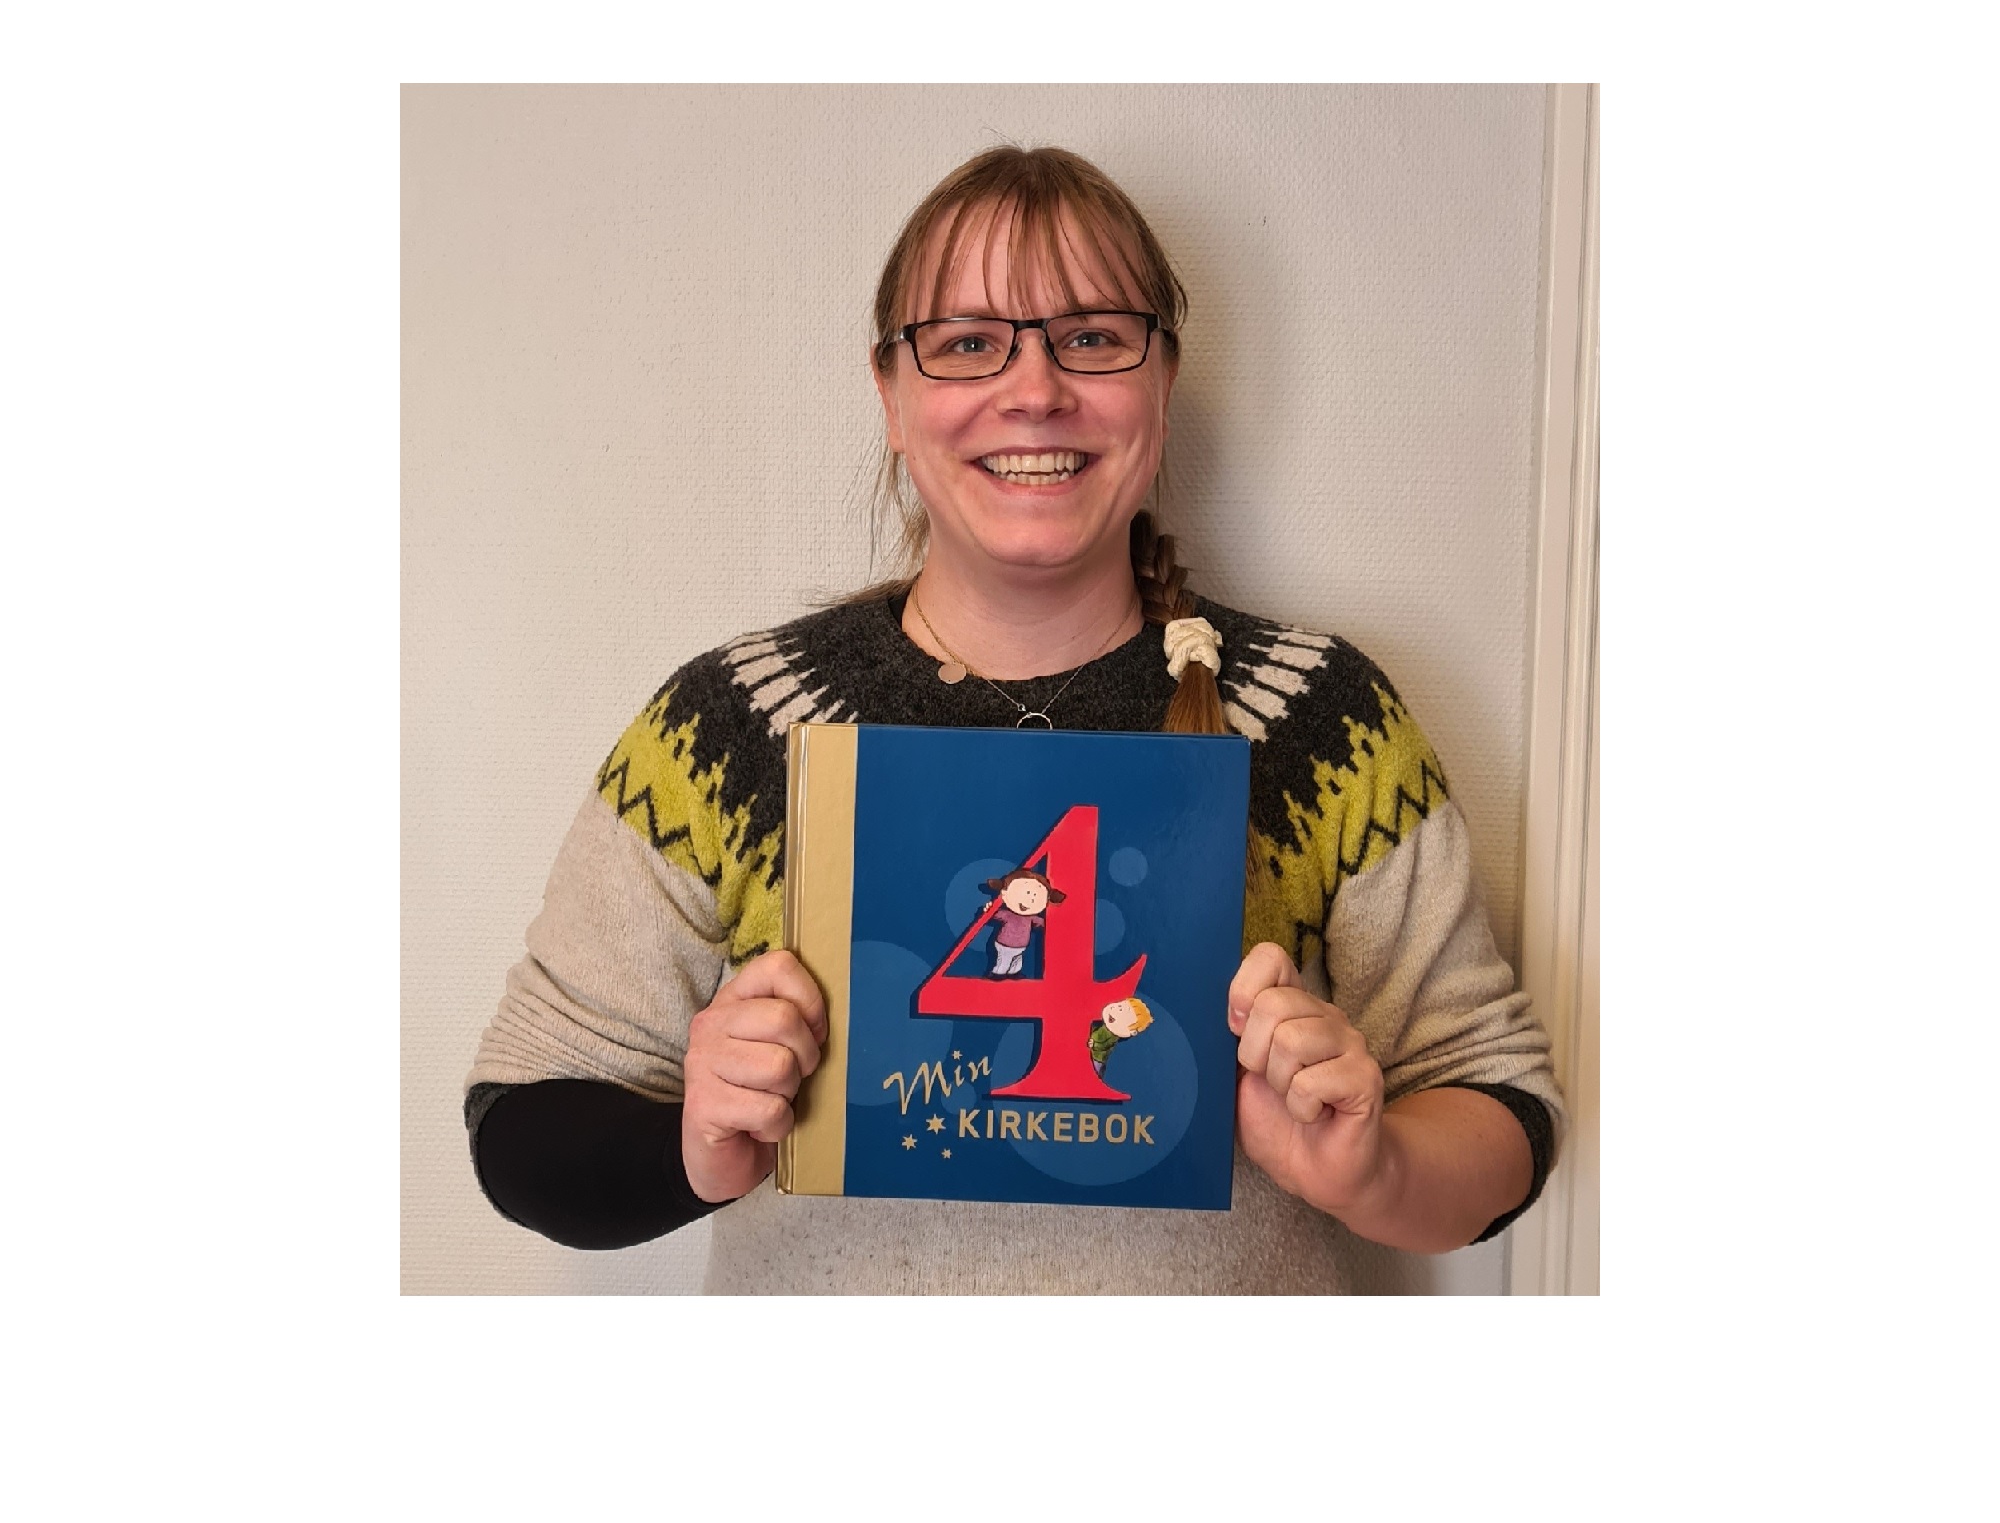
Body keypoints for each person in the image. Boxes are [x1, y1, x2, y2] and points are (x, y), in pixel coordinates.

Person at [464, 145, 1564, 1293]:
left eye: (1090, 336)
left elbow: (1497, 1102)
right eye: (966, 342)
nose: (1033, 389)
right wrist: (692, 1143)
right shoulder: (737, 722)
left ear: (1162, 382)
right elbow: (521, 1120)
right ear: (891, 396)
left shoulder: (1314, 712)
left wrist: (1374, 1168)